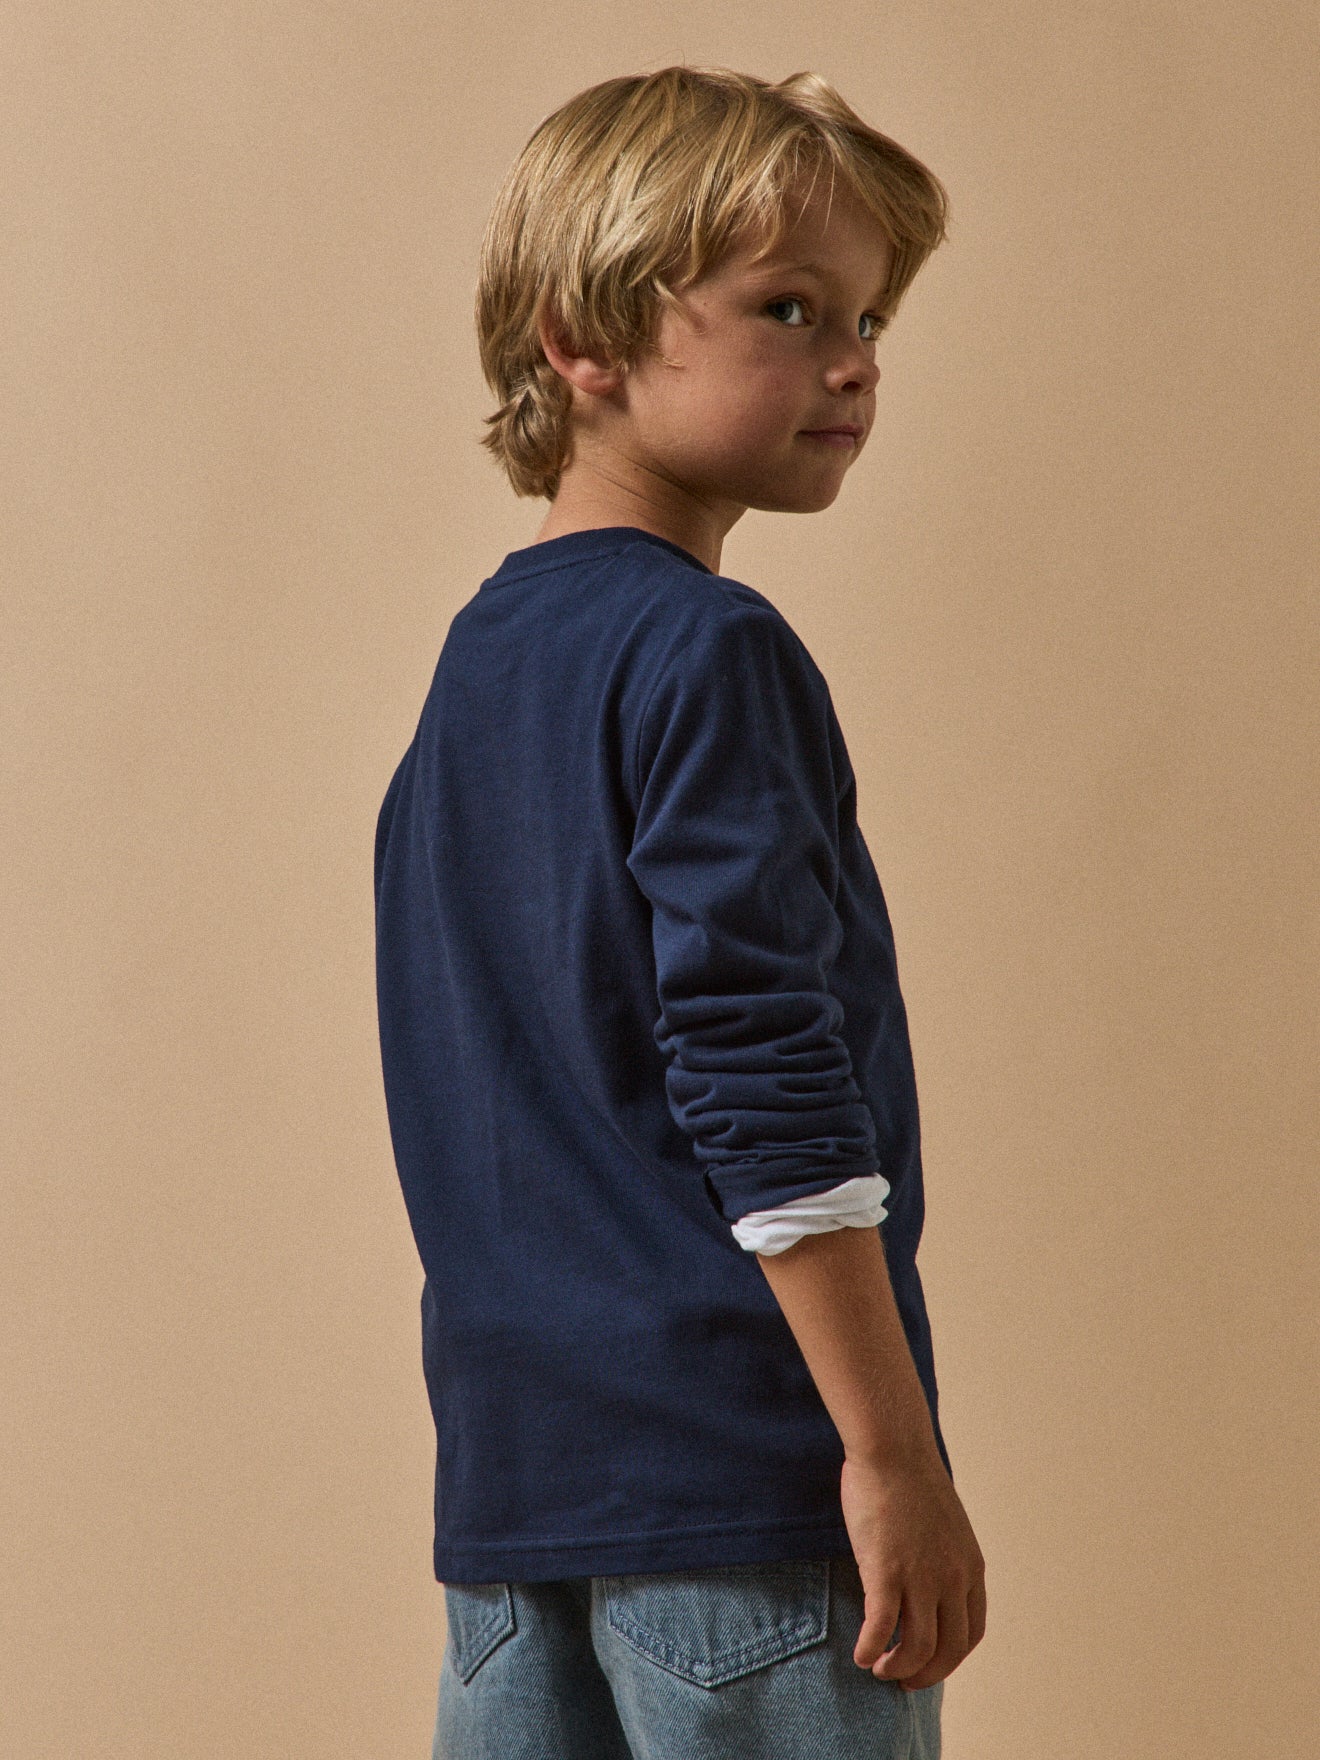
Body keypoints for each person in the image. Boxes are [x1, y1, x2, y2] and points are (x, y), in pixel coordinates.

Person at [373, 63, 986, 1759]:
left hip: (515, 1510)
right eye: (790, 308)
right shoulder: (706, 650)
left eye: (869, 318)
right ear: (585, 338)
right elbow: (760, 1066)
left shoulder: (475, 671)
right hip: (742, 1486)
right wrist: (891, 1452)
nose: (854, 362)